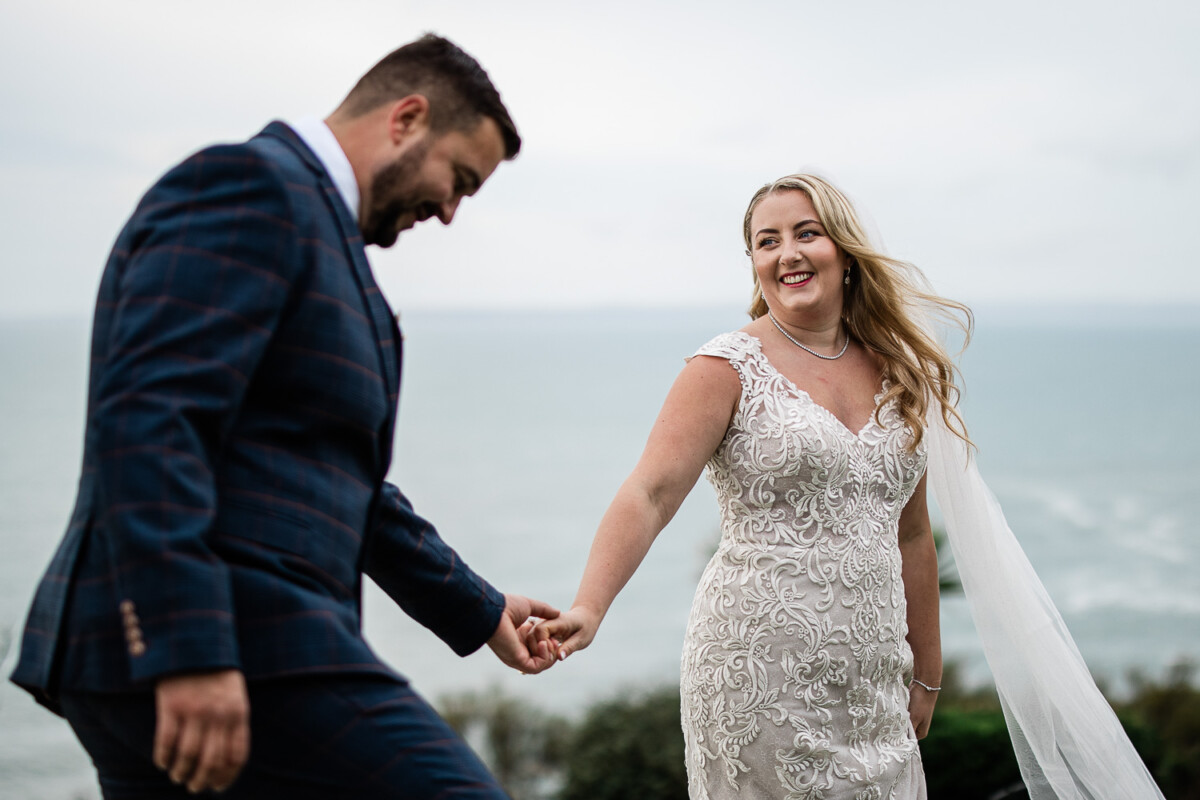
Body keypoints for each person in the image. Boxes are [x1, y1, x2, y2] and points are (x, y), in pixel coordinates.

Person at [11, 34, 557, 799]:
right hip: (229, 636)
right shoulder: (250, 188)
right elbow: (152, 420)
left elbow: (340, 481)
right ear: (407, 118)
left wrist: (479, 606)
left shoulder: (320, 235)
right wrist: (190, 648)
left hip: (189, 651)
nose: (450, 212)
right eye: (458, 179)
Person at [536, 174, 1166, 799]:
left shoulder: (902, 373)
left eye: (806, 233)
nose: (788, 253)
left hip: (875, 684)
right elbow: (650, 492)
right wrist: (590, 607)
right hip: (757, 671)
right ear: (753, 263)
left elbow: (913, 533)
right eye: (767, 241)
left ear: (843, 250)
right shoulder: (722, 368)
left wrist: (928, 669)